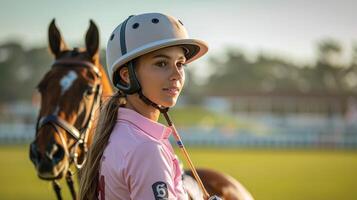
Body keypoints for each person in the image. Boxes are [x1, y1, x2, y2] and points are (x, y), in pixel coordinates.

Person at [79, 13, 208, 200]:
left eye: (180, 64)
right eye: (162, 63)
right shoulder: (147, 149)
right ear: (126, 75)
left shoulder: (116, 133)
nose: (177, 75)